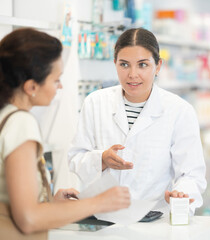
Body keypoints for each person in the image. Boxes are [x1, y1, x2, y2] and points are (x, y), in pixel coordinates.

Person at [0, 28, 130, 236]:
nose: (59, 86)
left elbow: (10, 199)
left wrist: (49, 202)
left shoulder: (5, 116)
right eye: (55, 80)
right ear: (32, 86)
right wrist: (98, 203)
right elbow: (28, 219)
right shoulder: (21, 123)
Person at [68, 28, 207, 213]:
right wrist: (101, 159)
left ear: (158, 66)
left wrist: (180, 195)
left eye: (142, 65)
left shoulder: (179, 111)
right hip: (102, 217)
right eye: (124, 64)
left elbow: (191, 173)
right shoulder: (95, 102)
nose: (133, 74)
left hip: (154, 218)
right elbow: (75, 157)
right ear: (115, 63)